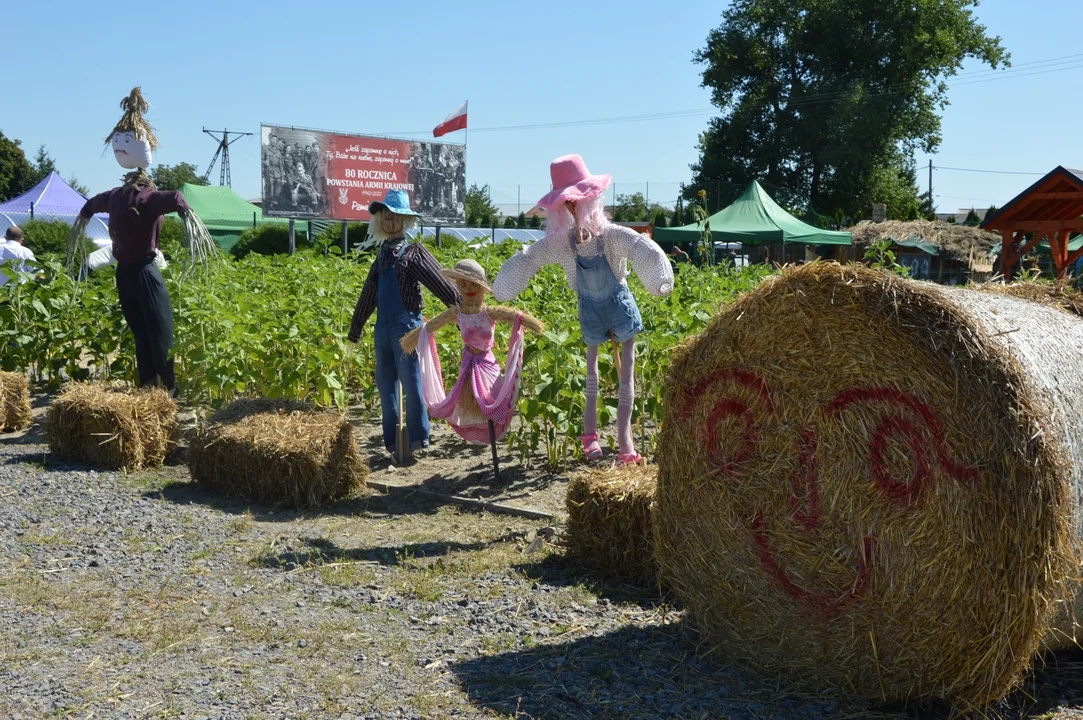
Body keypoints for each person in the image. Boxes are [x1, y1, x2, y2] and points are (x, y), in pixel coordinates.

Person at [492, 154, 674, 467]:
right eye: (568, 203)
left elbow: (641, 247)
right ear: (561, 209)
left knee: (626, 377)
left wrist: (659, 280)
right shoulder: (561, 243)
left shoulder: (611, 234)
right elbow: (530, 258)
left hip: (620, 307)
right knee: (591, 374)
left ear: (591, 200)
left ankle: (625, 442)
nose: (574, 207)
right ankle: (590, 435)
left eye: (578, 200)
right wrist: (505, 287)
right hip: (589, 310)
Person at [78, 87, 194, 397]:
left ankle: (147, 387)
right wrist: (187, 216)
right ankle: (168, 390)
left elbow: (89, 205)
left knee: (141, 332)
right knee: (161, 331)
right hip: (144, 272)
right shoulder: (147, 197)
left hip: (124, 275)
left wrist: (83, 218)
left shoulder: (115, 196)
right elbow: (176, 198)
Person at [347, 189, 462, 457]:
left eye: (395, 216)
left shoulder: (414, 252)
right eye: (386, 216)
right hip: (383, 330)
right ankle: (391, 442)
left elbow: (440, 283)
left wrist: (461, 312)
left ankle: (416, 440)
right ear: (380, 220)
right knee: (385, 386)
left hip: (407, 329)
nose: (390, 221)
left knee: (412, 384)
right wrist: (355, 329)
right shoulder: (380, 257)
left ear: (405, 221)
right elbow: (369, 295)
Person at [400, 259, 544, 445]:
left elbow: (510, 315)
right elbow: (433, 325)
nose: (468, 288)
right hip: (468, 363)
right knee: (470, 400)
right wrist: (416, 336)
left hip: (486, 364)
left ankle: (494, 425)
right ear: (457, 285)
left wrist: (523, 319)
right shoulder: (456, 313)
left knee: (492, 401)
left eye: (473, 283)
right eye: (463, 283)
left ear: (482, 287)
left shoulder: (488, 313)